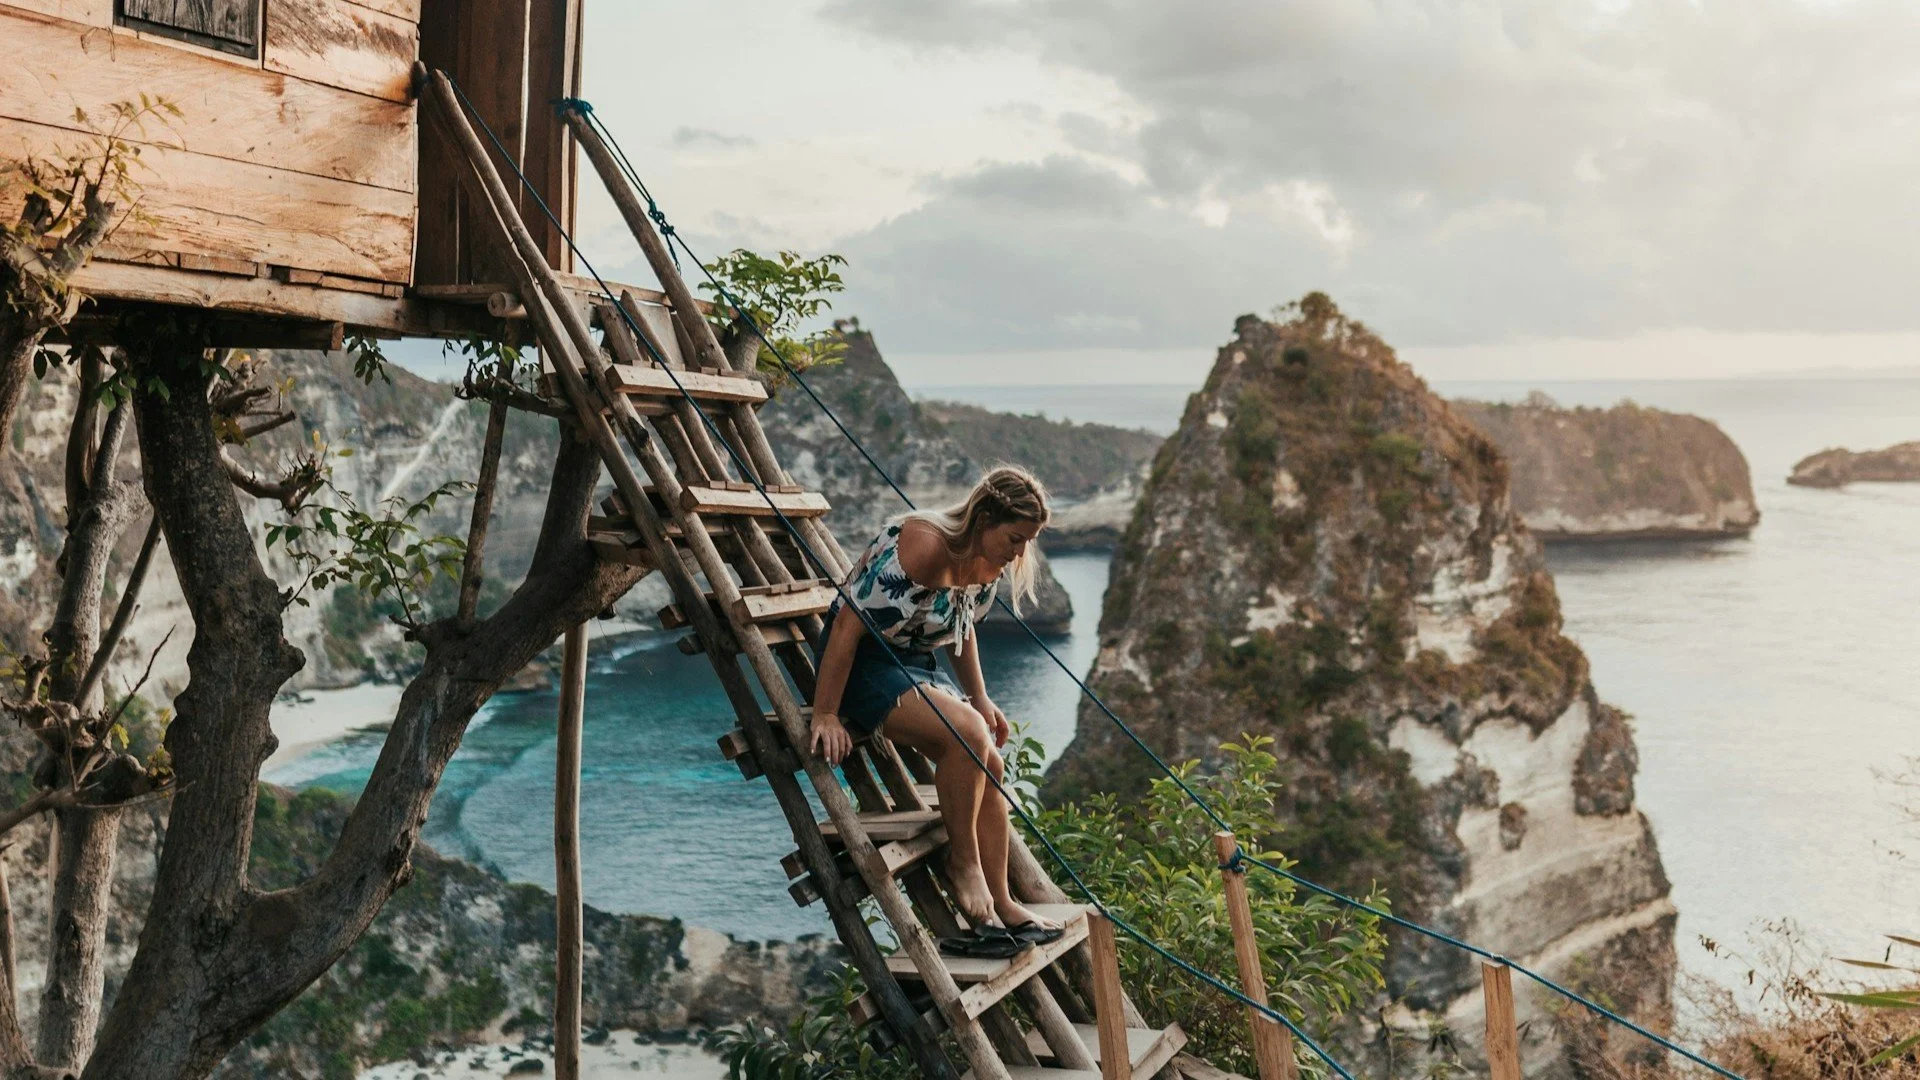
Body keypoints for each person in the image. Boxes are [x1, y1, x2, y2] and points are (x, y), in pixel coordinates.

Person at [808, 466, 1061, 949]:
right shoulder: (924, 545)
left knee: (990, 755)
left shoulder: (988, 562)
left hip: (913, 662)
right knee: (965, 733)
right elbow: (846, 626)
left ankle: (1003, 901)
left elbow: (961, 630)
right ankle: (963, 868)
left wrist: (981, 697)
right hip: (861, 664)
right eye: (1015, 537)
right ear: (984, 517)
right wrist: (824, 712)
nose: (1020, 552)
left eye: (1027, 541)